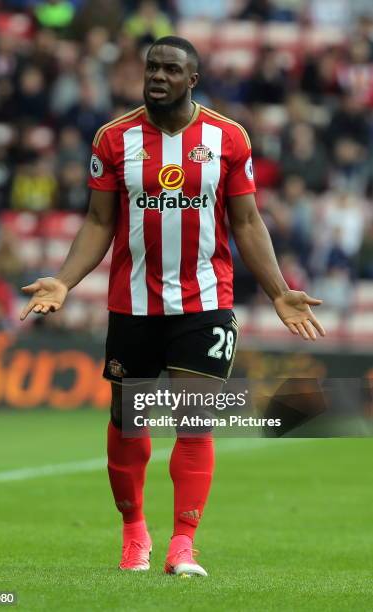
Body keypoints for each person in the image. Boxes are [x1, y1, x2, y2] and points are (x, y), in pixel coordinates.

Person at [19, 36, 326, 577]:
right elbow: (98, 222)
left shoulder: (228, 138)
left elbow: (248, 223)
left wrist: (279, 290)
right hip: (132, 304)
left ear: (193, 80)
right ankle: (134, 531)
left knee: (194, 418)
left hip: (205, 301)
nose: (158, 76)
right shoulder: (113, 139)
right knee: (128, 422)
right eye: (152, 67)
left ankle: (183, 544)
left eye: (170, 69)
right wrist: (65, 282)